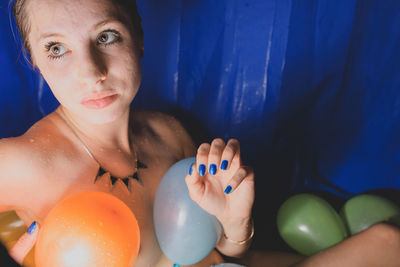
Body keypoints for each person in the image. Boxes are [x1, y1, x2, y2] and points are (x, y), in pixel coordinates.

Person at [0, 0, 256, 265]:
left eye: (106, 36)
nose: (91, 73)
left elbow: (217, 256)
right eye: (57, 48)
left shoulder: (170, 134)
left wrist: (235, 223)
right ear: (34, 60)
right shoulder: (22, 163)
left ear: (138, 37)